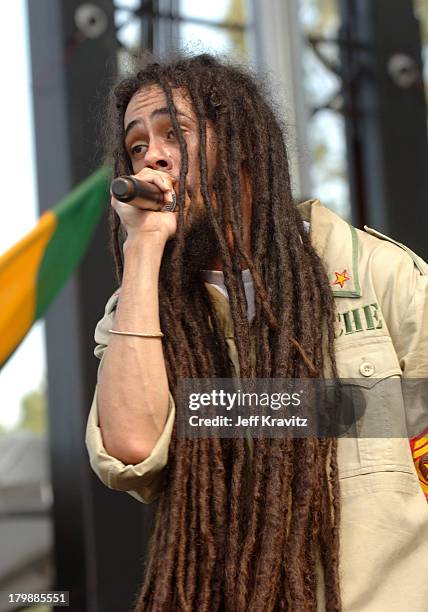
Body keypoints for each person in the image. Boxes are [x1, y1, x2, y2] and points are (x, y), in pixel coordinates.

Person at [85, 53, 428, 611]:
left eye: (176, 134)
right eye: (138, 145)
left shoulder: (370, 271)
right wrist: (142, 251)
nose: (154, 158)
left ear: (240, 144)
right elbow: (131, 452)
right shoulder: (139, 311)